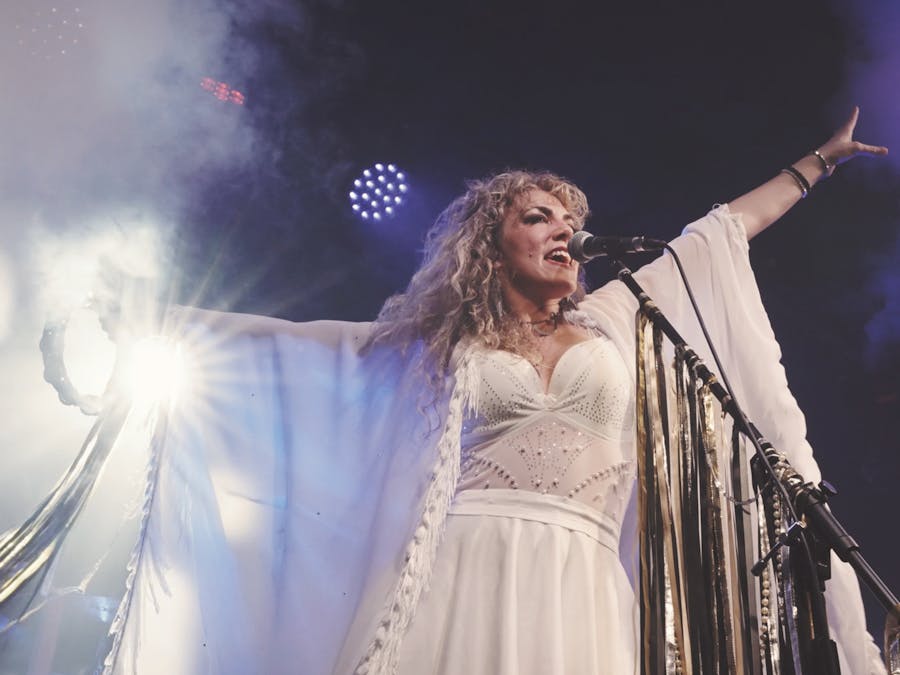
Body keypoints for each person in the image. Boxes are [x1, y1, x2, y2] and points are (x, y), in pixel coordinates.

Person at [105, 109, 887, 674]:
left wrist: (816, 163)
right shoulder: (443, 344)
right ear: (491, 245)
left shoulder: (617, 317)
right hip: (462, 564)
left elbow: (715, 236)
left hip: (580, 578)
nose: (563, 230)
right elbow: (303, 347)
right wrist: (163, 320)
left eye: (570, 220)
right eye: (539, 217)